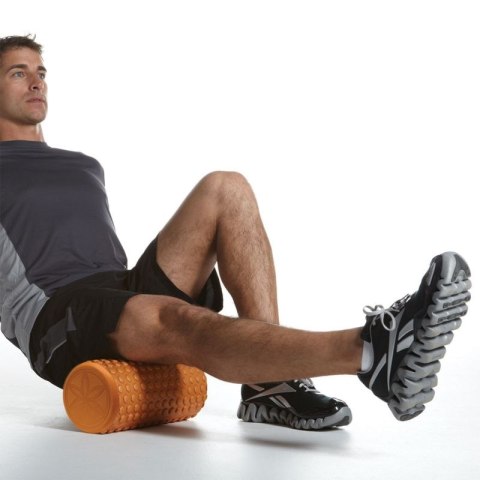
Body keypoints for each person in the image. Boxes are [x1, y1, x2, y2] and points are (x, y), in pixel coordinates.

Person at [0, 35, 472, 431]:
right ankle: (368, 350)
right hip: (57, 312)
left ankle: (271, 387)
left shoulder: (84, 165)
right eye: (18, 73)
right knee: (175, 318)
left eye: (41, 72)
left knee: (226, 187)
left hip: (118, 288)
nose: (37, 81)